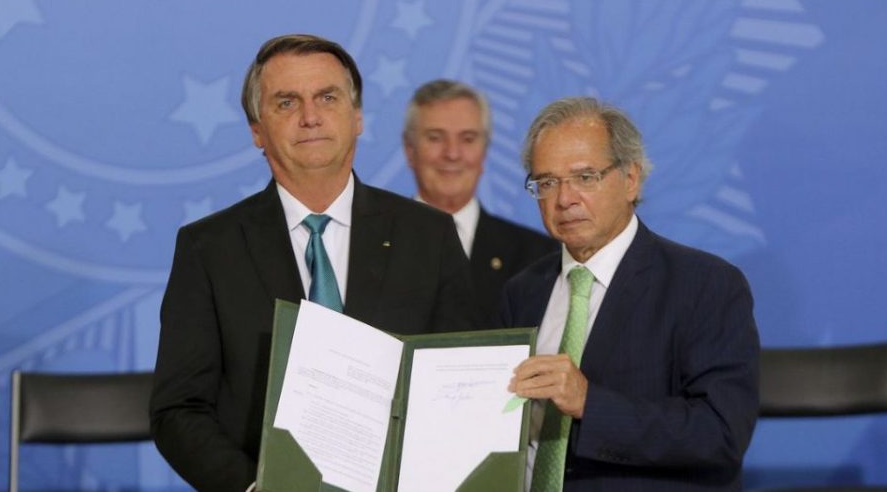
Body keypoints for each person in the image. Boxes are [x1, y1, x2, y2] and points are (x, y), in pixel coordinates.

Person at [149, 34, 476, 492]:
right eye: (286, 103)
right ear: (257, 131)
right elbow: (178, 409)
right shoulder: (209, 248)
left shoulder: (429, 236)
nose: (309, 117)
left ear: (357, 116)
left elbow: (459, 388)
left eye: (327, 97)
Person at [502, 97, 759, 491]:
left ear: (631, 178)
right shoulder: (522, 292)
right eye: (547, 182)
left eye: (585, 177)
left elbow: (721, 434)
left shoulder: (705, 285)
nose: (564, 198)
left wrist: (590, 403)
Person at [404, 79, 557, 326]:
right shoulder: (369, 243)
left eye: (467, 139)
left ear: (484, 150)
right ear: (409, 150)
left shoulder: (540, 258)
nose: (452, 154)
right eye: (435, 138)